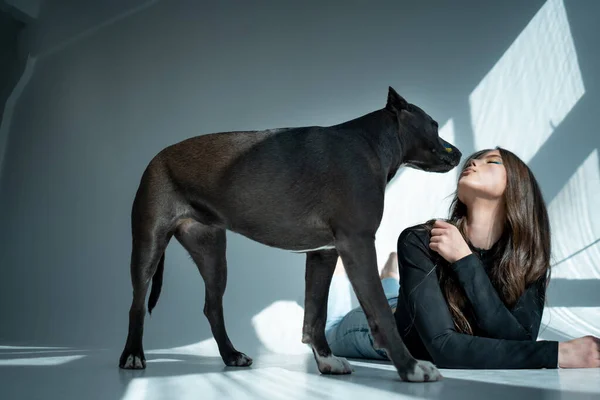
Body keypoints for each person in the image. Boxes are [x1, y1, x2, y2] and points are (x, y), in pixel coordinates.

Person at [325, 147, 600, 369]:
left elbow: (519, 338)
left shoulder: (529, 258)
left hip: (415, 300)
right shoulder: (421, 239)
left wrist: (464, 260)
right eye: (474, 160)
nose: (475, 163)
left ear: (518, 187)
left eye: (492, 161)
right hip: (387, 329)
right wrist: (555, 354)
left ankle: (390, 279)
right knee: (330, 335)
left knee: (396, 292)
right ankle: (335, 261)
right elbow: (442, 349)